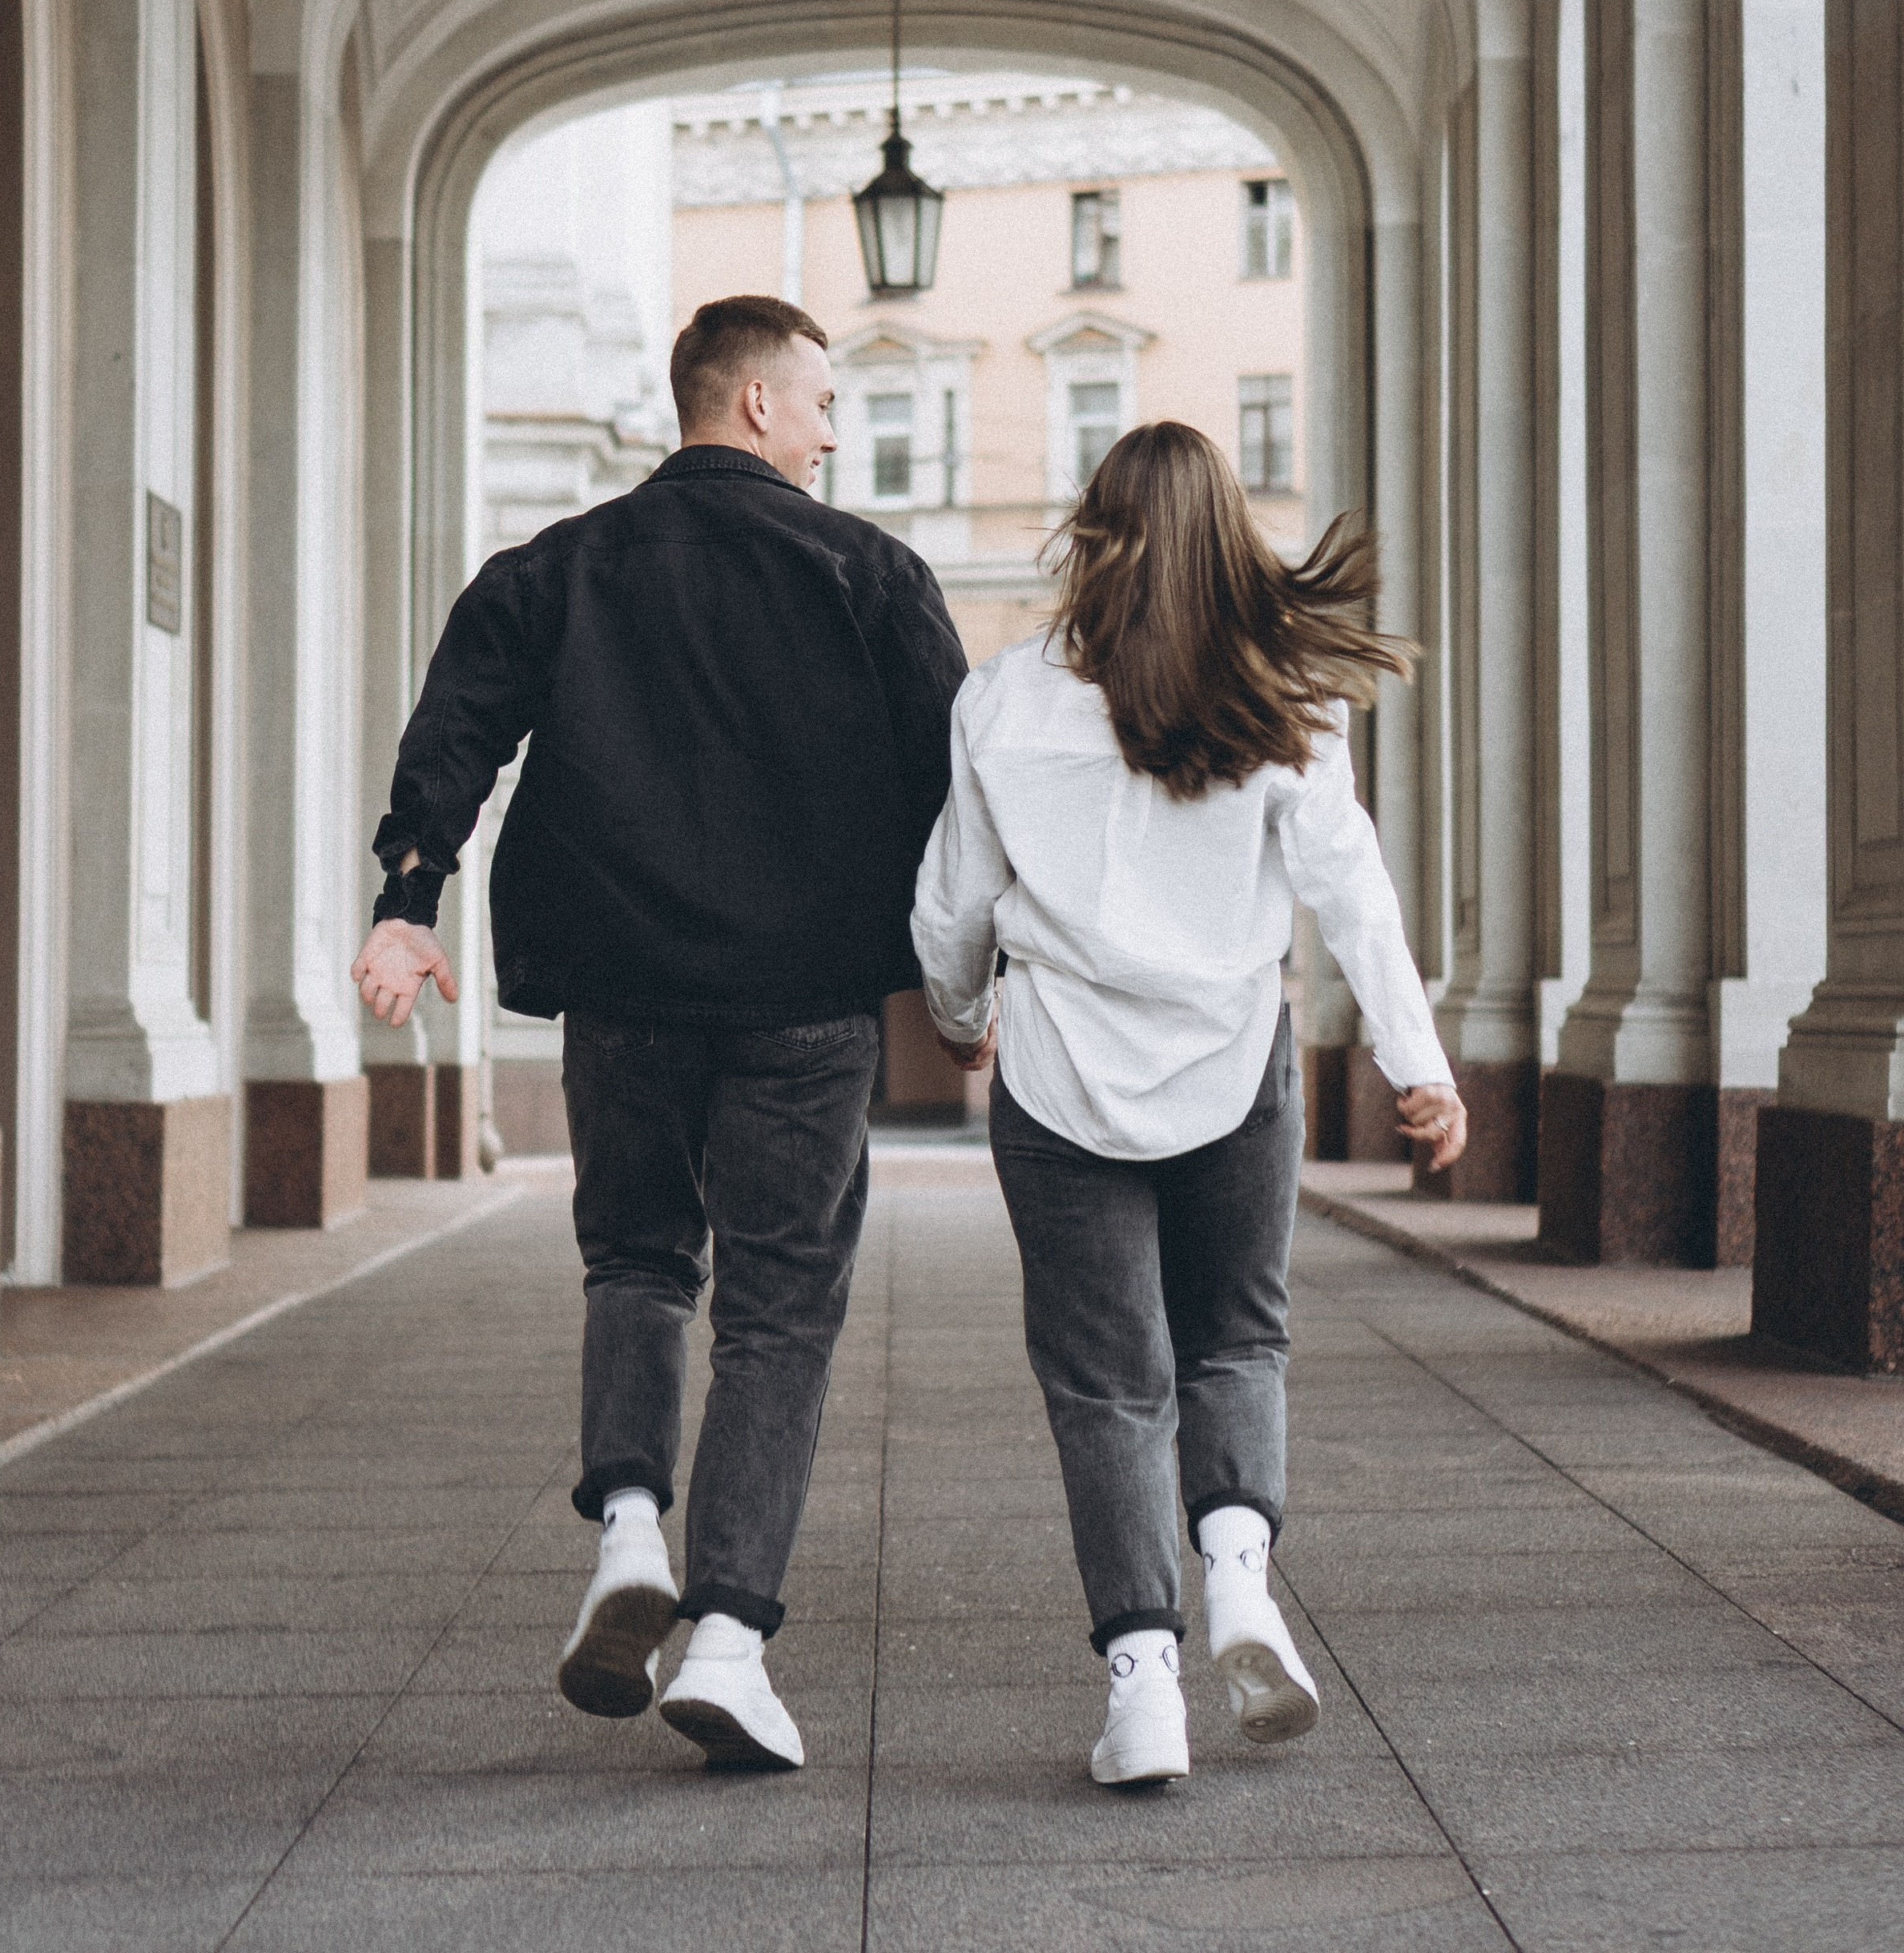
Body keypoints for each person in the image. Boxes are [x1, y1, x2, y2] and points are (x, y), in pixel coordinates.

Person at [350, 293, 966, 1771]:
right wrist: (978, 973)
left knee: (634, 1256)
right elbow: (963, 786)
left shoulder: (559, 567)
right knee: (779, 1311)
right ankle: (734, 1641)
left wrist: (408, 896)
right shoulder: (868, 572)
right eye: (821, 399)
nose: (833, 425)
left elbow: (457, 729)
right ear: (753, 403)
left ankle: (631, 1526)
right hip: (805, 1003)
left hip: (622, 990)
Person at [912, 419, 1465, 1789]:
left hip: (1059, 1073)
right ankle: (1238, 1579)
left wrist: (965, 1017)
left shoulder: (1003, 700)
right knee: (1236, 1340)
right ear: (1233, 536)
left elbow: (951, 907)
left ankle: (1143, 1688)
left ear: (1091, 536)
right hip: (1231, 1060)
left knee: (1106, 1384)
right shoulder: (1285, 701)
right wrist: (1417, 1061)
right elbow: (1352, 891)